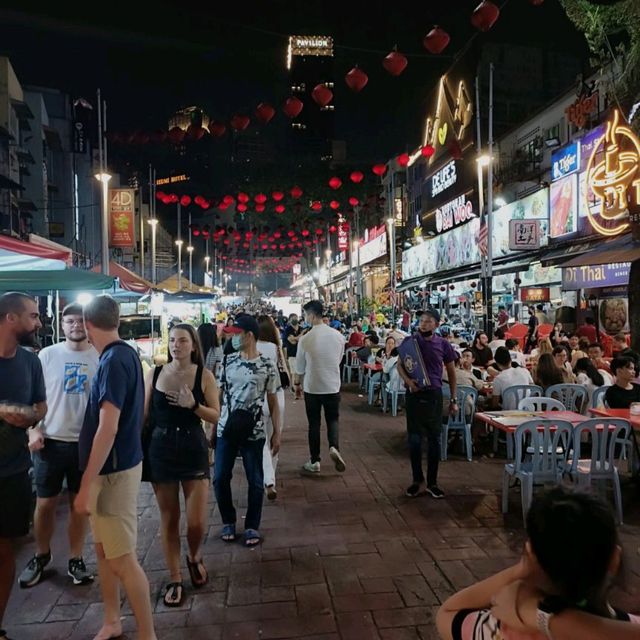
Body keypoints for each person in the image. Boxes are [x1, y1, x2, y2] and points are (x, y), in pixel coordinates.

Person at [436, 487, 640, 640]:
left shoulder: (501, 628)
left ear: (532, 554)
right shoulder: (629, 628)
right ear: (614, 559)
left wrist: (523, 571)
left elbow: (448, 612)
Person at [74, 295, 156, 640]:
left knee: (122, 559)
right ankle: (112, 619)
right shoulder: (125, 355)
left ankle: (147, 634)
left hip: (113, 472)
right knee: (105, 550)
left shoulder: (112, 362)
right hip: (118, 467)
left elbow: (108, 428)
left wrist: (85, 484)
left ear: (88, 326)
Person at [19, 303, 98, 589]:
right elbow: (31, 398)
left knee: (80, 506)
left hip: (84, 445)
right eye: (70, 321)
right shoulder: (47, 356)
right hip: (50, 442)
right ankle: (41, 555)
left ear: (88, 324)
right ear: (61, 326)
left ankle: (76, 558)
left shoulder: (100, 356)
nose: (76, 325)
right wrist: (33, 429)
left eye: (80, 321)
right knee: (45, 504)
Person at [144, 324, 220, 607]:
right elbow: (143, 415)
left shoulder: (204, 376)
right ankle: (175, 577)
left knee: (197, 522)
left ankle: (194, 555)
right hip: (160, 449)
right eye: (173, 340)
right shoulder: (155, 374)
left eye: (183, 340)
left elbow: (215, 416)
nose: (176, 345)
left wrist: (193, 406)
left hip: (193, 449)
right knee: (169, 518)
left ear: (194, 346)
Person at [0, 293, 47, 640]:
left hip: (14, 470)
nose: (39, 322)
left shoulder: (31, 362)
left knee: (6, 550)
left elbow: (40, 408)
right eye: (32, 316)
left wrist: (23, 416)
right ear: (11, 319)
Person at [214, 315, 280, 547]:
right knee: (220, 477)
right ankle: (228, 521)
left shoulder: (267, 365)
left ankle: (252, 525)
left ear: (249, 335)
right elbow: (218, 398)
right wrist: (211, 428)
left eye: (235, 333)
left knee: (255, 480)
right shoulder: (227, 362)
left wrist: (277, 432)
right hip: (227, 428)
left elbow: (272, 401)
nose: (231, 336)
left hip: (254, 431)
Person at [397, 309, 457, 499]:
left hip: (434, 396)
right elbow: (399, 364)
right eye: (421, 321)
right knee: (414, 440)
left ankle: (432, 482)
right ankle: (417, 480)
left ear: (437, 324)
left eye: (428, 321)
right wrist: (408, 382)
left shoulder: (443, 344)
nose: (424, 324)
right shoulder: (410, 342)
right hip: (414, 395)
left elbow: (452, 372)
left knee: (434, 440)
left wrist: (453, 399)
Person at [294, 300, 346, 475]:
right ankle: (334, 447)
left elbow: (300, 367)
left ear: (312, 315)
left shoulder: (305, 339)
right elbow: (338, 360)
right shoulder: (338, 336)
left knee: (314, 424)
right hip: (332, 385)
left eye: (306, 315)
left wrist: (296, 385)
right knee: (333, 420)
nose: (305, 318)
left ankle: (315, 460)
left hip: (312, 386)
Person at [256, 315, 289, 501]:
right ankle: (271, 478)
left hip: (259, 398)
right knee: (275, 438)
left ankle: (268, 479)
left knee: (262, 440)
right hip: (277, 397)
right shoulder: (275, 348)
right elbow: (284, 371)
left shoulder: (251, 348)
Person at [284, 313, 303, 385]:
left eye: (296, 318)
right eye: (293, 319)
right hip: (292, 354)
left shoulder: (301, 328)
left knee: (301, 373)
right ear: (289, 320)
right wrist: (301, 335)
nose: (295, 320)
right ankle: (294, 389)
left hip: (301, 354)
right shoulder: (288, 330)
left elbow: (298, 340)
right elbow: (292, 342)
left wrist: (295, 338)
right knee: (294, 373)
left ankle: (299, 389)